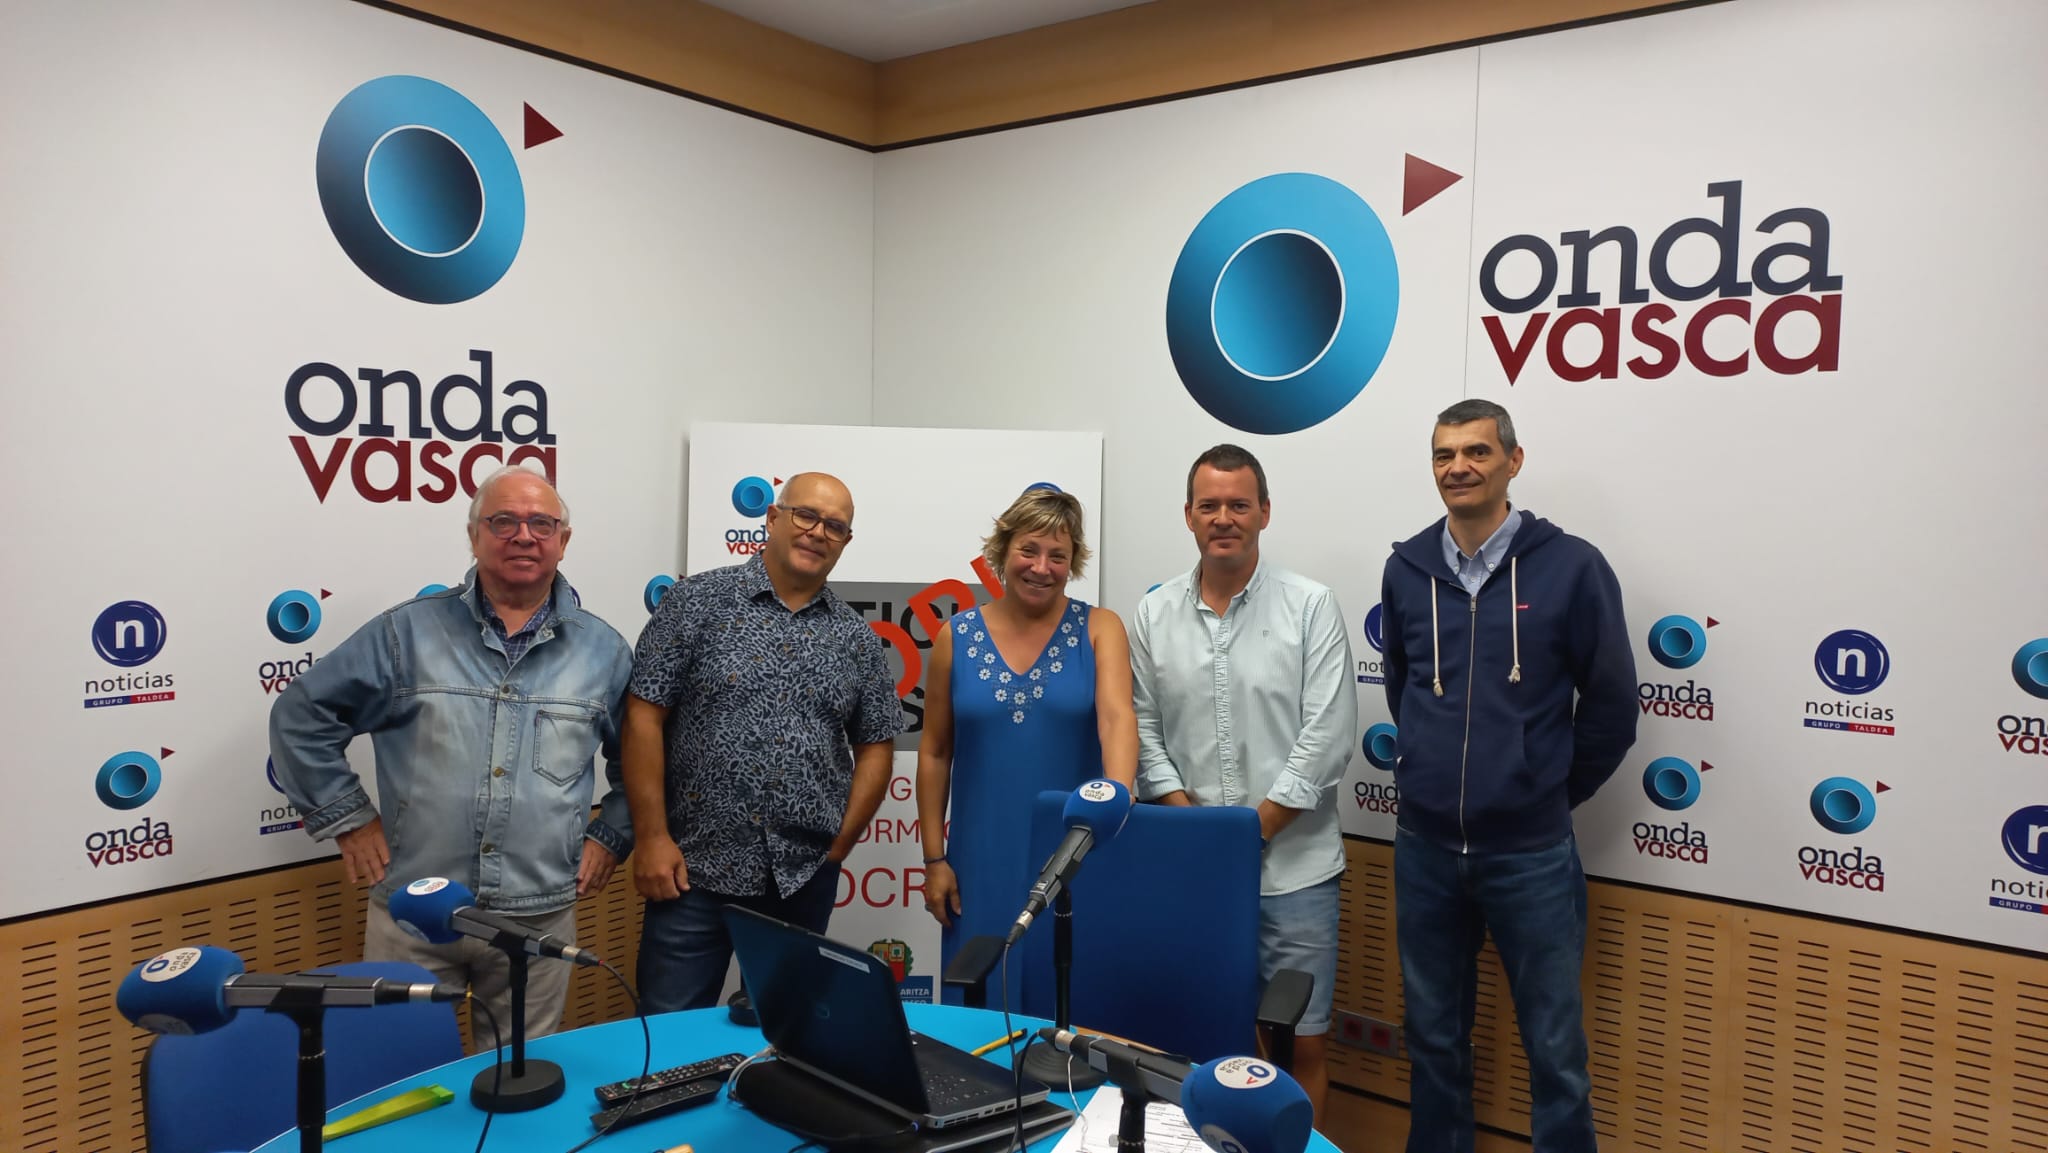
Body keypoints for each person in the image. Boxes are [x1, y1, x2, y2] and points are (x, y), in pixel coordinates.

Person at [270, 464, 633, 1045]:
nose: (523, 536)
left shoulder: (604, 652)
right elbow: (301, 715)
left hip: (535, 917)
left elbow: (640, 761)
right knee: (403, 1077)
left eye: (541, 524)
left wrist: (611, 836)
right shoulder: (405, 635)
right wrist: (348, 818)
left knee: (516, 1079)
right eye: (503, 521)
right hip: (413, 912)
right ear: (474, 536)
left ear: (563, 541)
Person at [1379, 399, 1637, 1153]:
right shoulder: (1406, 569)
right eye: (1444, 454)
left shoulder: (1573, 567)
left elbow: (1612, 707)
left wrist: (1541, 787)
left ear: (1513, 461)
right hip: (1425, 850)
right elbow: (1403, 688)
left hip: (1530, 855)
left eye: (1477, 451)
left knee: (1555, 1048)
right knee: (1432, 1037)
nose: (1458, 467)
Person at [1129, 444, 1356, 1126]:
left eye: (1238, 504)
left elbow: (1327, 735)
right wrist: (1199, 834)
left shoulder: (1310, 605)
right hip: (1195, 874)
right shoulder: (1153, 613)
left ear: (1264, 511)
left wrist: (1246, 834)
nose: (1223, 517)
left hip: (1296, 874)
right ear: (1188, 515)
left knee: (1300, 1042)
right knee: (1203, 1035)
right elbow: (1143, 731)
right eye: (1209, 505)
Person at [622, 471, 902, 1014]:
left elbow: (876, 744)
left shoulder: (856, 639)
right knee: (668, 1032)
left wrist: (837, 848)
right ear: (772, 518)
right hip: (690, 872)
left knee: (786, 1035)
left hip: (801, 880)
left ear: (846, 541)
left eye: (834, 526)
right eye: (806, 515)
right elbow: (643, 716)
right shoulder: (695, 601)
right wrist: (652, 837)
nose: (817, 532)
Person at [914, 487, 1139, 1001]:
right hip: (977, 862)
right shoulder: (955, 635)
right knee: (980, 1009)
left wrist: (1116, 808)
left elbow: (1117, 718)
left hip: (1075, 857)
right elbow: (935, 752)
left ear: (1073, 561)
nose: (1041, 567)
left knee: (1070, 1002)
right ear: (1002, 550)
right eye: (1029, 550)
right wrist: (933, 860)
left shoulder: (1100, 628)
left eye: (1058, 555)